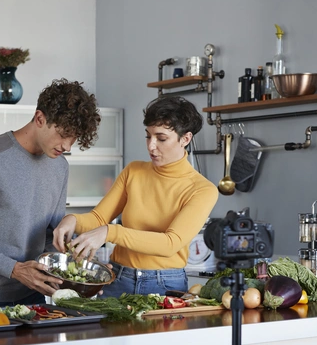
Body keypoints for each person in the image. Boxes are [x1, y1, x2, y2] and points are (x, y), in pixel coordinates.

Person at [0, 79, 101, 309]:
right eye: (63, 134)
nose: (67, 146)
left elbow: (50, 238)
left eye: (73, 138)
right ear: (39, 119)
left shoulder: (60, 167)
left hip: (33, 295)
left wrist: (79, 269)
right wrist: (14, 270)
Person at [53, 96, 218, 298]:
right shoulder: (134, 171)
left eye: (161, 138)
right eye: (148, 136)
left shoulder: (202, 189)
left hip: (164, 285)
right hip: (117, 277)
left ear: (185, 139)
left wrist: (110, 232)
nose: (151, 146)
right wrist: (71, 219)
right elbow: (98, 218)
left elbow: (170, 243)